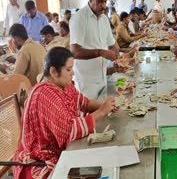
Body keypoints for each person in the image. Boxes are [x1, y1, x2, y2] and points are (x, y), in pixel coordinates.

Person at [13, 47, 118, 178]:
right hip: (40, 160)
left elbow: (84, 103)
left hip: (58, 150)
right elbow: (68, 131)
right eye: (68, 69)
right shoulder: (45, 95)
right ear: (53, 71)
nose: (73, 73)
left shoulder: (65, 86)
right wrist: (101, 112)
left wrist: (106, 105)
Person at [70, 0, 119, 100]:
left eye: (105, 1)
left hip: (102, 79)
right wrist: (100, 52)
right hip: (87, 83)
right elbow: (75, 52)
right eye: (99, 1)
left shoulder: (104, 19)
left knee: (104, 115)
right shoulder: (80, 18)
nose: (103, 5)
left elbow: (113, 45)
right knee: (90, 117)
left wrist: (117, 55)